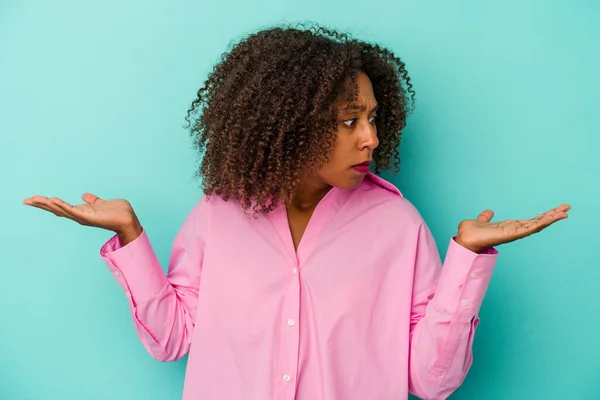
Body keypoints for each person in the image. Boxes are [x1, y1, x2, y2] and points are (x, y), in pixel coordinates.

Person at [23, 24, 570, 400]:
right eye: (349, 121)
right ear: (287, 123)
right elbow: (172, 339)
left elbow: (431, 381)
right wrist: (130, 233)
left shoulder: (398, 227)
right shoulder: (217, 215)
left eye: (374, 119)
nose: (371, 139)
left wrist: (467, 261)